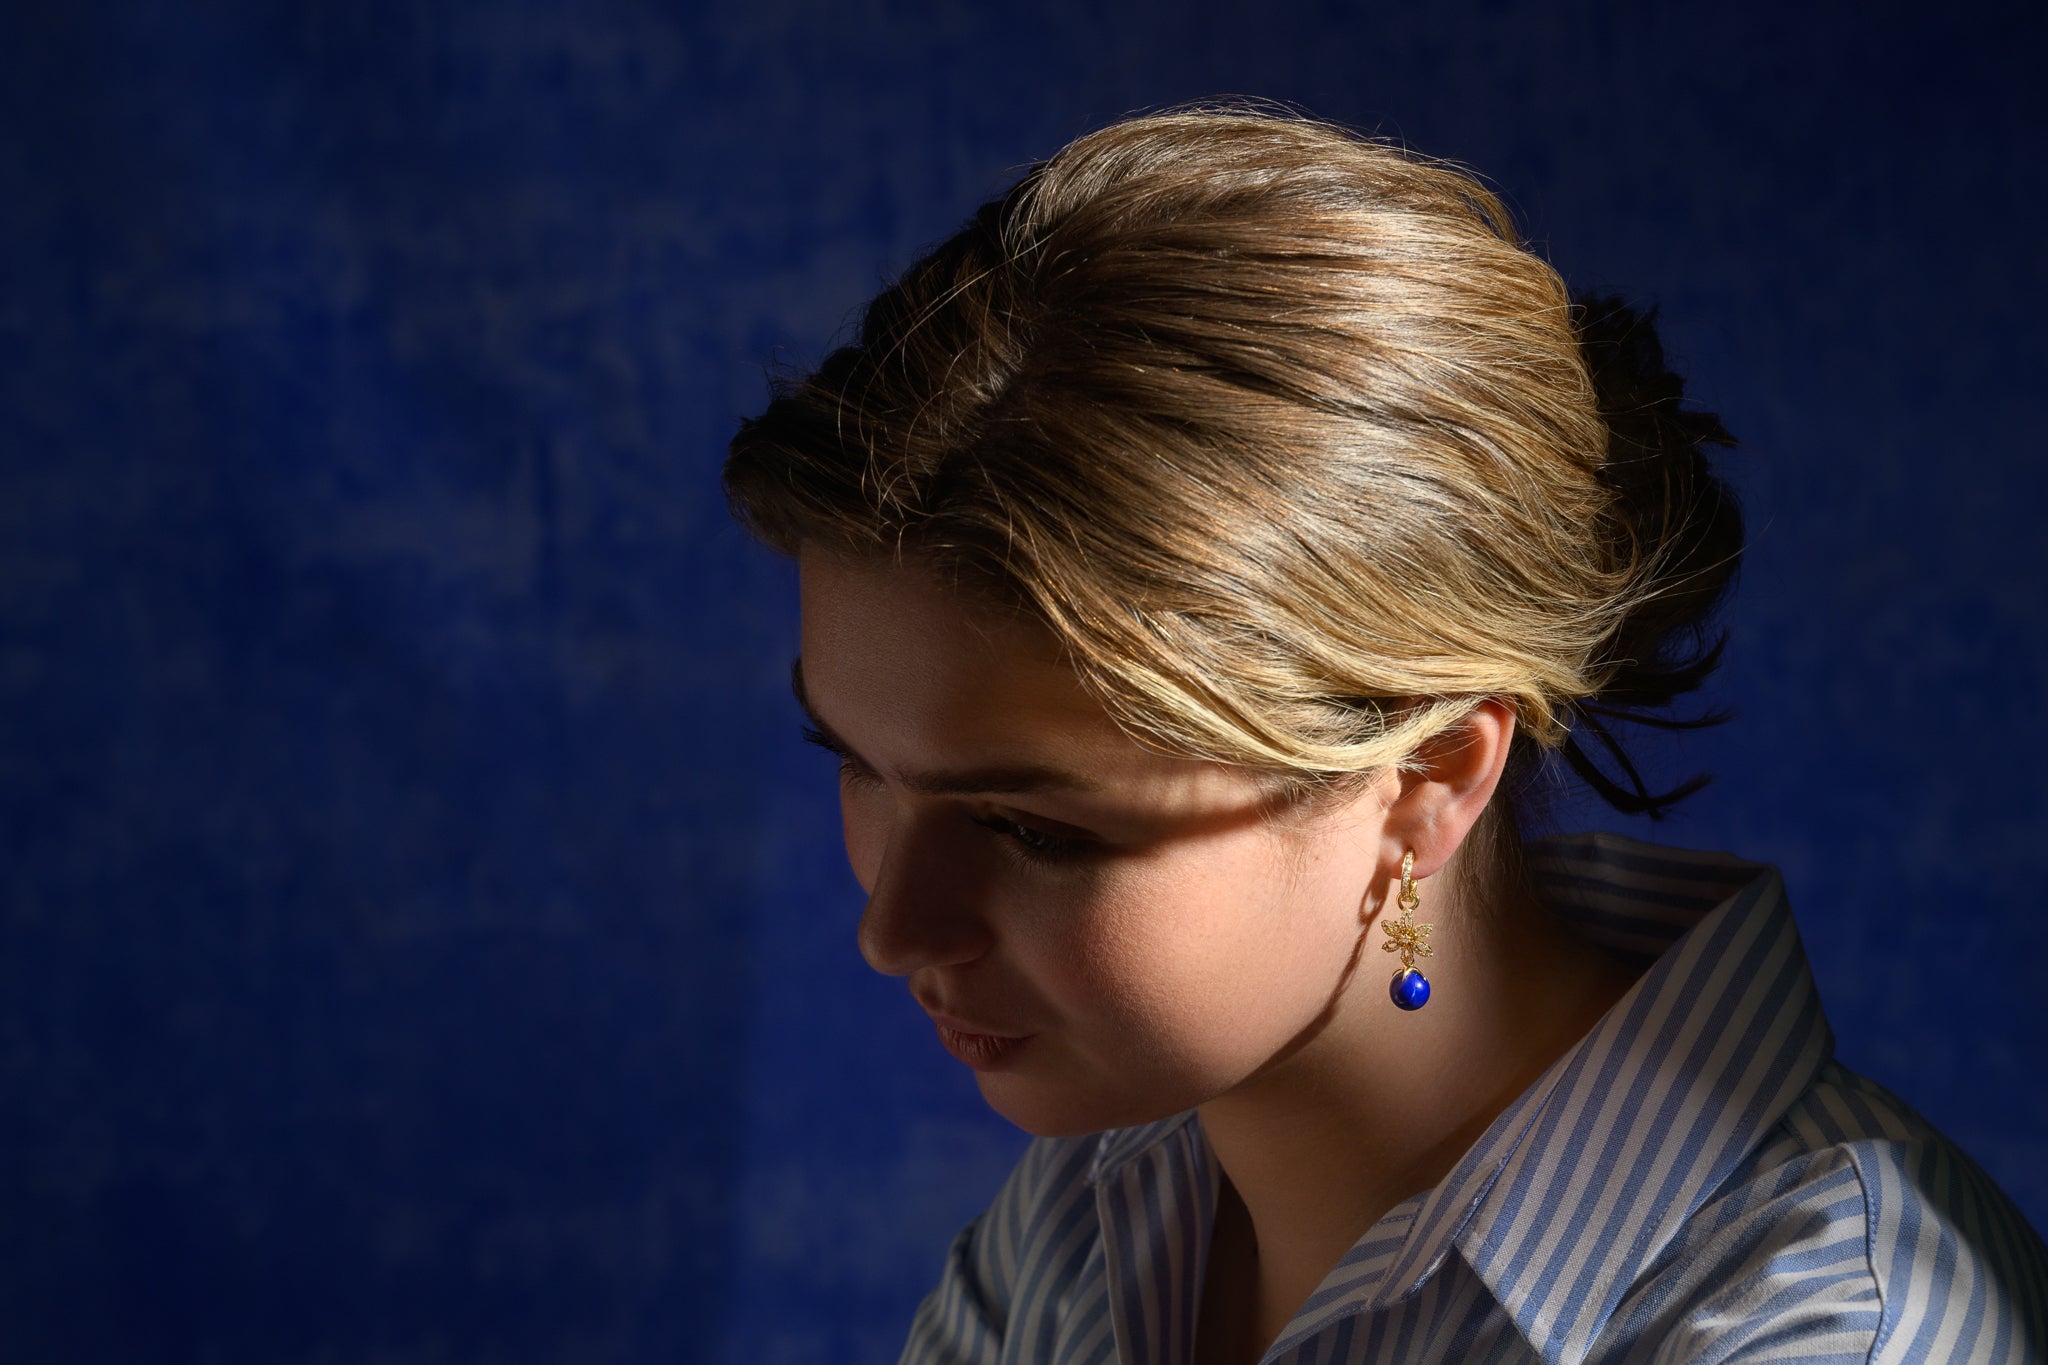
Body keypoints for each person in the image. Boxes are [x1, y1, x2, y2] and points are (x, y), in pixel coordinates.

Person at [722, 106, 2048, 1364]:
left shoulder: (1836, 1330)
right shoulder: (1087, 1219)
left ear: (1427, 781)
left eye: (1033, 826)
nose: (893, 927)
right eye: (858, 764)